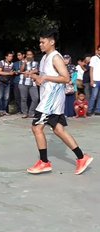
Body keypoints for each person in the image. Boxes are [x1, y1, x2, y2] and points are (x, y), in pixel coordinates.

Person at [28, 29, 93, 175]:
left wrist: (45, 79)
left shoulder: (55, 57)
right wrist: (37, 77)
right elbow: (46, 77)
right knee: (58, 129)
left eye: (43, 42)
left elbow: (66, 78)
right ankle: (82, 158)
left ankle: (44, 162)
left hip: (51, 99)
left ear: (52, 42)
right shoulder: (45, 58)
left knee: (37, 127)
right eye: (39, 42)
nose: (40, 44)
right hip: (48, 97)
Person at [18, 50, 40, 118]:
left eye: (30, 54)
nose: (29, 56)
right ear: (26, 55)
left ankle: (31, 112)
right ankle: (25, 112)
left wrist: (31, 72)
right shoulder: (21, 62)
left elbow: (38, 70)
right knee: (23, 98)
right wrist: (24, 63)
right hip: (23, 83)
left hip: (32, 83)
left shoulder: (36, 63)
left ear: (32, 55)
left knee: (36, 98)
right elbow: (21, 70)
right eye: (28, 55)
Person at [88, 45, 100, 115]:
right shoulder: (93, 58)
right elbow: (91, 70)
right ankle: (89, 110)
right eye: (99, 50)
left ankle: (98, 110)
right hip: (95, 79)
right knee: (94, 96)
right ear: (97, 51)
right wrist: (91, 80)